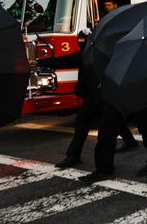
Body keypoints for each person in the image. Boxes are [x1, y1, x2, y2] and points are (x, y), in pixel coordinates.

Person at [54, 29, 137, 168]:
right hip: (96, 96)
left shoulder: (91, 55)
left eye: (83, 41)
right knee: (93, 124)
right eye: (79, 41)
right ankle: (129, 141)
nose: (81, 44)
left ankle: (75, 156)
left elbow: (65, 61)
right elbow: (65, 61)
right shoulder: (94, 53)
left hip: (99, 96)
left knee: (89, 126)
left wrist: (38, 62)